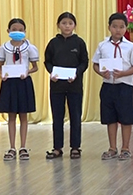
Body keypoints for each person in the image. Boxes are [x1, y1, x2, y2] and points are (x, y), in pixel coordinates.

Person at [92, 12, 133, 160]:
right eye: (114, 27)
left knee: (126, 118)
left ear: (126, 28)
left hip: (124, 86)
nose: (118, 30)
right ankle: (112, 147)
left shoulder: (130, 47)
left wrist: (124, 73)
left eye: (121, 27)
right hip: (108, 86)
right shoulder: (102, 45)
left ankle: (125, 147)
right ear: (109, 27)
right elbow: (96, 64)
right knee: (110, 118)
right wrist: (102, 73)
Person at [44, 12, 89, 159]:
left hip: (74, 85)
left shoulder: (79, 42)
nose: (67, 26)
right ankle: (57, 148)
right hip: (57, 85)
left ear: (74, 25)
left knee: (75, 116)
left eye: (70, 23)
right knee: (57, 117)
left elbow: (84, 62)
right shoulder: (53, 43)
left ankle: (75, 147)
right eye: (64, 23)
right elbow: (47, 61)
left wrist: (76, 73)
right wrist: (52, 72)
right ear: (58, 25)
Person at [0, 18, 39, 161]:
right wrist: (2, 74)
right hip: (9, 83)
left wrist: (27, 72)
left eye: (20, 30)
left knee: (23, 115)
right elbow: (1, 66)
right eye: (14, 29)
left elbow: (35, 67)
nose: (17, 32)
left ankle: (23, 147)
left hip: (23, 82)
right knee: (11, 116)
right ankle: (12, 147)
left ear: (25, 31)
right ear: (8, 31)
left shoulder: (30, 47)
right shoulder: (4, 47)